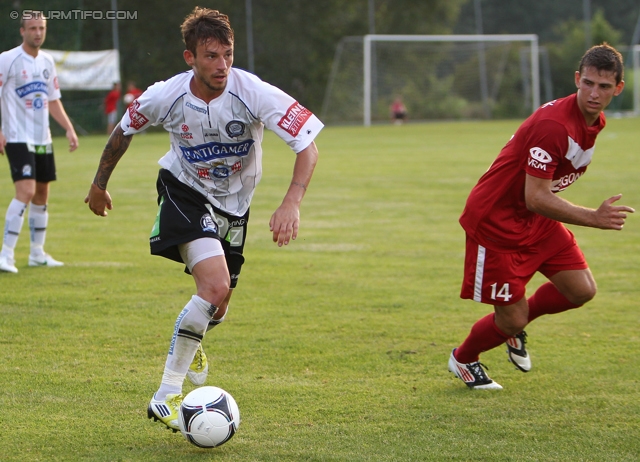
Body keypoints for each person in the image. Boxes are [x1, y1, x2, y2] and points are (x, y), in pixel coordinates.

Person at [85, 7, 323, 430]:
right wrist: (99, 183)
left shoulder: (253, 92)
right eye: (211, 56)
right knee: (213, 287)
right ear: (189, 57)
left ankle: (192, 336)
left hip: (235, 205)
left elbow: (308, 147)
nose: (222, 65)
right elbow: (123, 130)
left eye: (227, 54)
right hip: (184, 191)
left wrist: (292, 201)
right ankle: (166, 394)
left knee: (219, 303)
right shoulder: (166, 95)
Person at [448, 43, 634, 390]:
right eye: (588, 83)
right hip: (496, 223)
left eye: (604, 87)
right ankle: (464, 358)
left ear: (618, 88)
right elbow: (535, 197)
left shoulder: (595, 119)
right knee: (512, 316)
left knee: (581, 290)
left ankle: (511, 328)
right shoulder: (553, 126)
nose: (594, 94)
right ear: (577, 79)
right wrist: (594, 217)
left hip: (533, 220)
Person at [0, 12, 79, 274]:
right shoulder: (7, 59)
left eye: (41, 28)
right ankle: (6, 255)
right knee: (25, 191)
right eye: (32, 28)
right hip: (16, 136)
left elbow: (53, 99)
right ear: (22, 31)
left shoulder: (47, 61)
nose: (37, 33)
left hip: (42, 137)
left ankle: (36, 253)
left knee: (42, 194)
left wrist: (68, 129)